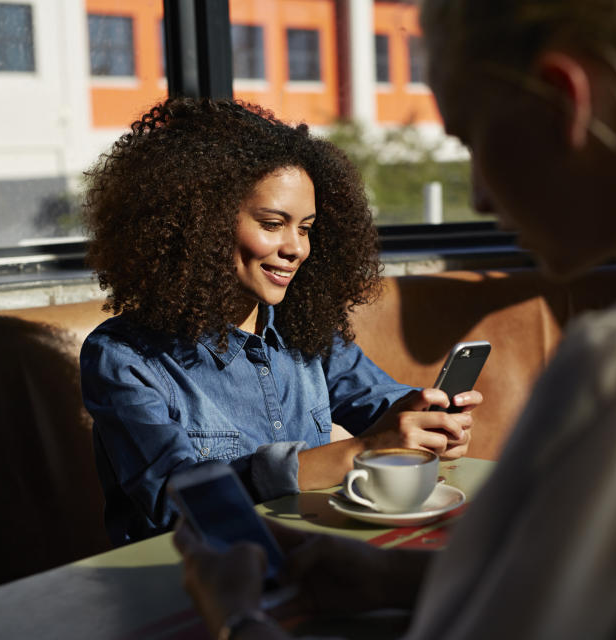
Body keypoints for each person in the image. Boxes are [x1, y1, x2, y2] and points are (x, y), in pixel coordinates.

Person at [173, 0, 616, 638]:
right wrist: (395, 578)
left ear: (566, 106)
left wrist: (237, 616)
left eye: (472, 139)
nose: (478, 193)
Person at [80, 98, 480, 545]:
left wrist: (424, 420)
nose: (297, 249)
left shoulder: (302, 332)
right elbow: (173, 501)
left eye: (306, 228)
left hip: (304, 560)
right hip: (187, 579)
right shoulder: (125, 357)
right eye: (273, 224)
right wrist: (361, 451)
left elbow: (379, 401)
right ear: (200, 227)